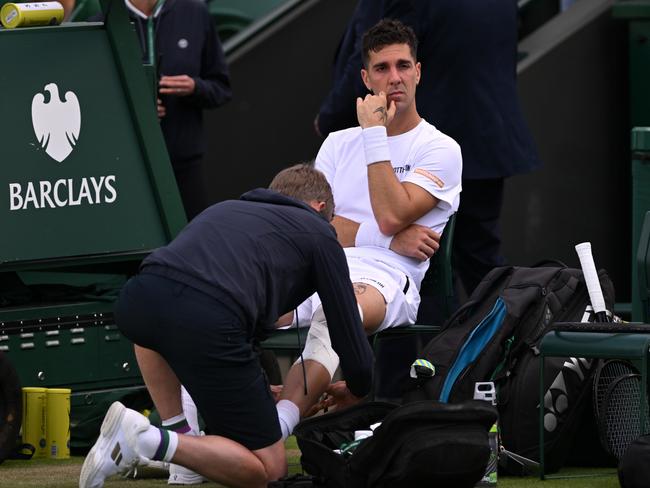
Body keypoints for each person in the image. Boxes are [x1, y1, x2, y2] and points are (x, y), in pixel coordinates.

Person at [78, 164, 374, 488]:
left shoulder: (226, 209)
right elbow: (345, 325)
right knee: (269, 472)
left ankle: (182, 444)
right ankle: (148, 442)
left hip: (139, 299)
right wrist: (358, 387)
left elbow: (184, 293)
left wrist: (257, 392)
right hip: (208, 317)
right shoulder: (320, 233)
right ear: (320, 208)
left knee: (155, 328)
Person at [275, 18, 462, 438]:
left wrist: (374, 133)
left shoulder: (440, 148)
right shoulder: (339, 143)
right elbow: (307, 226)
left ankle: (278, 425)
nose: (393, 78)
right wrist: (388, 238)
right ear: (365, 77)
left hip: (386, 279)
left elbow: (392, 214)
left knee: (335, 309)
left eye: (402, 65)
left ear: (418, 71)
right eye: (381, 68)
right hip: (314, 265)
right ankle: (188, 436)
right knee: (228, 303)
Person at [316, 0, 540, 298]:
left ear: (416, 71)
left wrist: (333, 118)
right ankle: (503, 340)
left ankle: (493, 338)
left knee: (426, 267)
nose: (395, 75)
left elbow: (380, 52)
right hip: (488, 137)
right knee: (478, 264)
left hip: (428, 147)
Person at [94, 0, 232, 220]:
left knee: (194, 241)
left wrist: (195, 88)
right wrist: (133, 109)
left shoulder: (195, 12)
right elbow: (94, 100)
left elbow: (222, 88)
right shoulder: (102, 20)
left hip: (185, 164)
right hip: (127, 166)